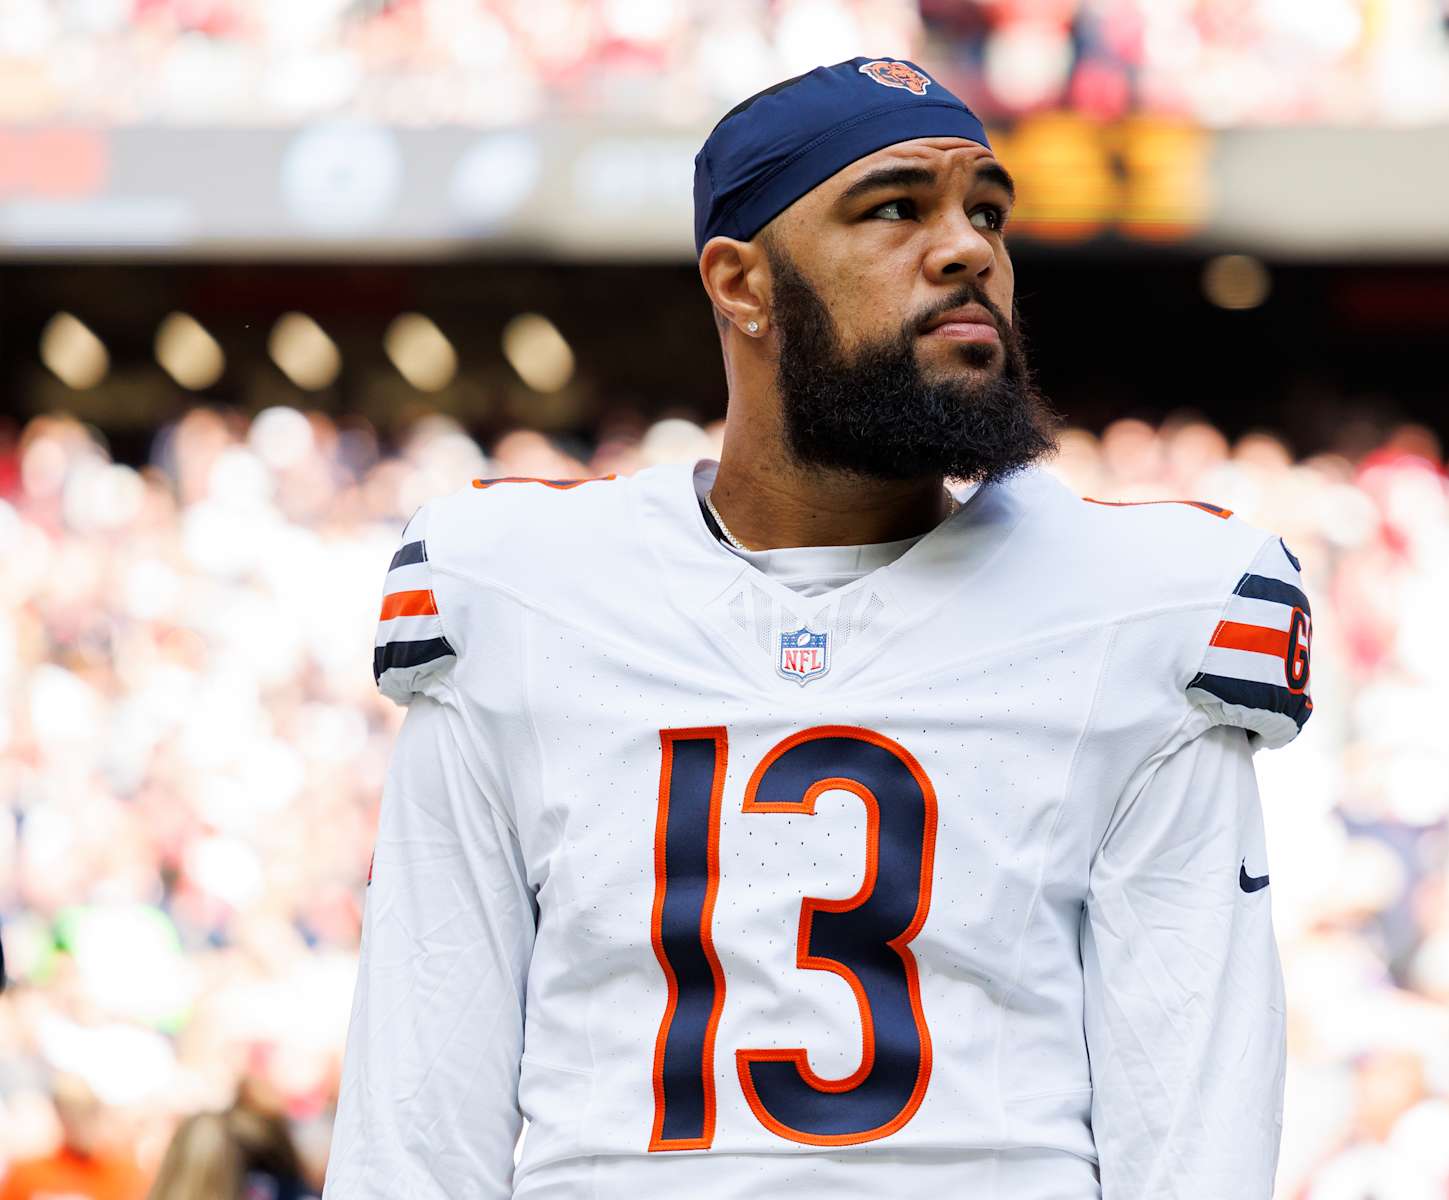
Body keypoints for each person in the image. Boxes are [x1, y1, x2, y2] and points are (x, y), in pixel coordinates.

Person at [324, 56, 1312, 1199]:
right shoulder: (519, 595)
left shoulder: (1144, 610)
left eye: (986, 210)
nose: (968, 249)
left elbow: (1193, 1127)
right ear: (740, 284)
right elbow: (418, 1112)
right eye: (895, 206)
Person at [0, 1075, 148, 1200]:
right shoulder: (27, 1173)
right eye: (71, 1115)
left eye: (87, 1113)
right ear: (60, 1116)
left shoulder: (127, 1173)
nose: (81, 1125)